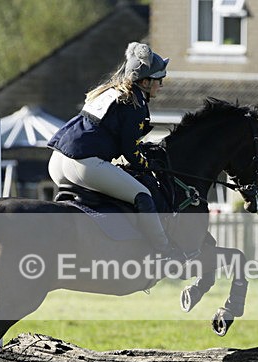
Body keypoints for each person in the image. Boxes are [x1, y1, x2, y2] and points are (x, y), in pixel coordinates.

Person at [48, 42, 170, 253]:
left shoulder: (110, 92)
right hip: (83, 164)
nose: (161, 85)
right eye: (159, 80)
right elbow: (130, 150)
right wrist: (148, 165)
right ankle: (163, 251)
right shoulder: (135, 103)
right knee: (142, 194)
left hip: (57, 162)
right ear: (145, 81)